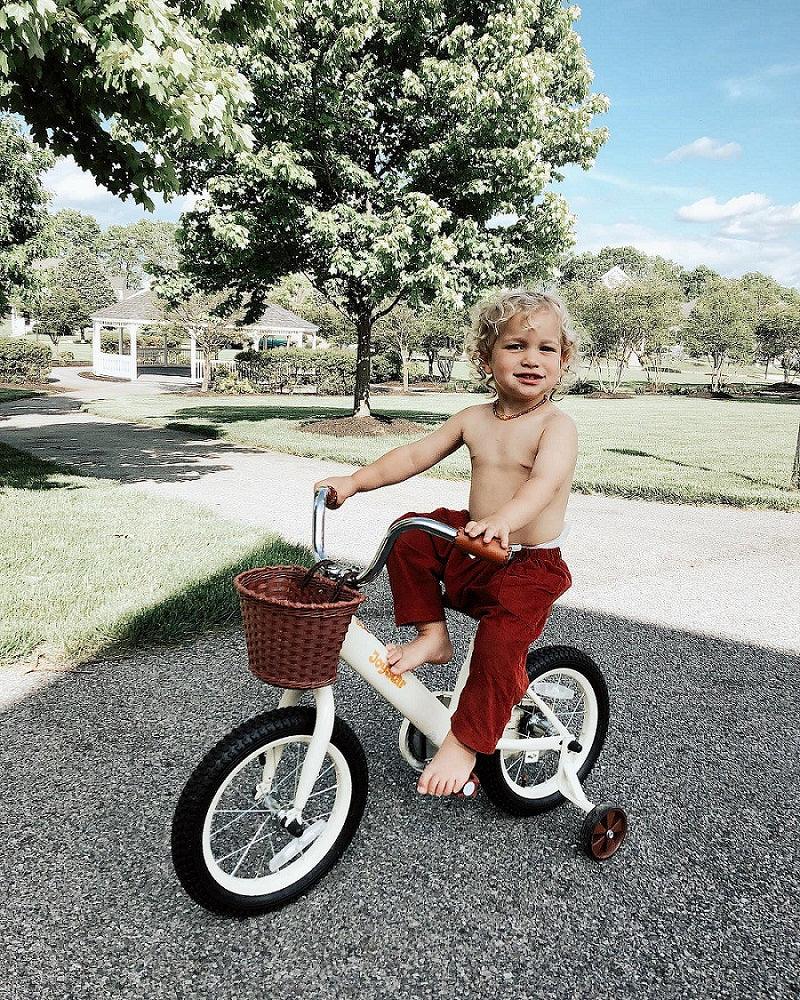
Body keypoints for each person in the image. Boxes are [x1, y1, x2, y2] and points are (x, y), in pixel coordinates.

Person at [314, 289, 578, 797]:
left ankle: (465, 740)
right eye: (515, 345)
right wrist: (353, 481)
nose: (531, 358)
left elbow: (543, 483)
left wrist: (504, 518)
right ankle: (433, 637)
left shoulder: (556, 426)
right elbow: (414, 455)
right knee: (412, 534)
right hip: (480, 545)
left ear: (562, 363)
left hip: (528, 561)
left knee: (501, 645)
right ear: (485, 357)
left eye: (547, 349)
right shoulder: (473, 419)